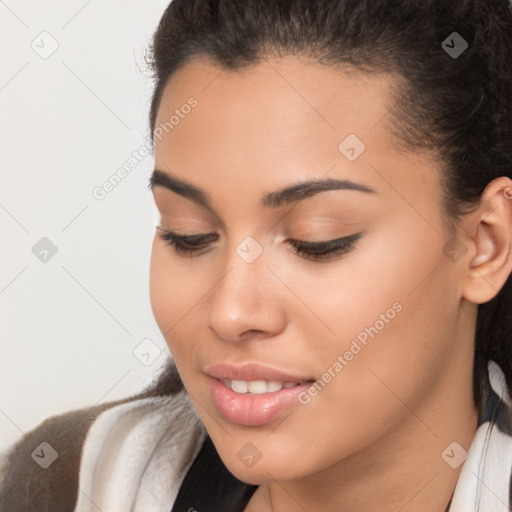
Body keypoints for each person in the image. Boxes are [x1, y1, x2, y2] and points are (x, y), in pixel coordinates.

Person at [2, 0, 512, 511]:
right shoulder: (73, 482)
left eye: (317, 241)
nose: (230, 312)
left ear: (485, 245)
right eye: (189, 234)